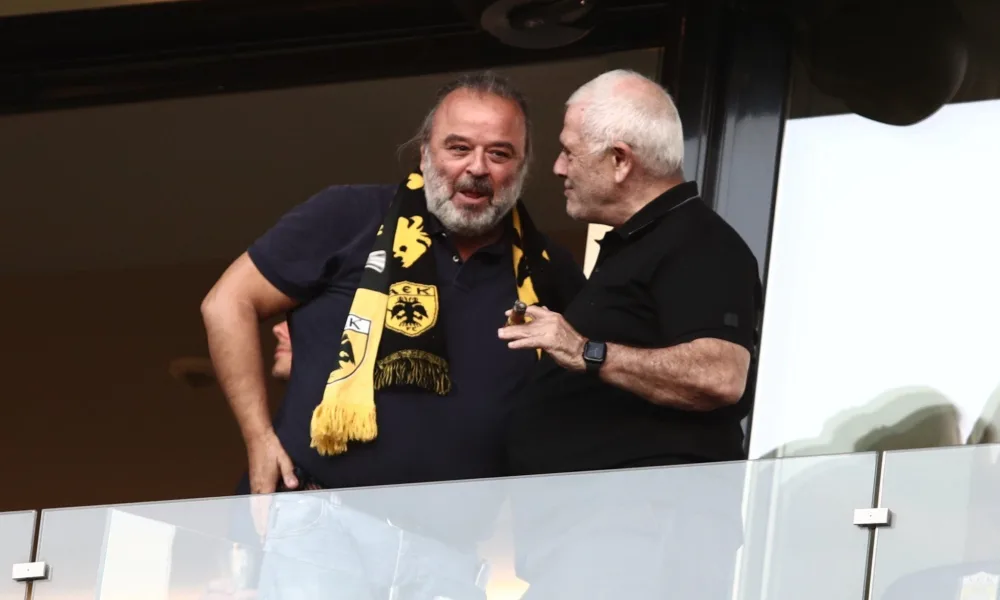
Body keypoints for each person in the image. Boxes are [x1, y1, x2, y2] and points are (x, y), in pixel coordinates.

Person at [201, 70, 584, 494]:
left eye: (499, 153)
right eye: (459, 148)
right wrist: (258, 439)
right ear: (424, 154)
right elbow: (227, 303)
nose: (477, 167)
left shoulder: (548, 268)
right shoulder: (347, 215)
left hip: (457, 530)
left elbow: (588, 388)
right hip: (310, 512)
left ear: (522, 167)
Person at [497, 69, 760, 599]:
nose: (558, 168)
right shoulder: (639, 246)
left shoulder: (700, 241)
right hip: (596, 540)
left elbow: (720, 374)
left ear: (619, 160)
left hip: (639, 537)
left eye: (569, 152)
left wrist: (584, 350)